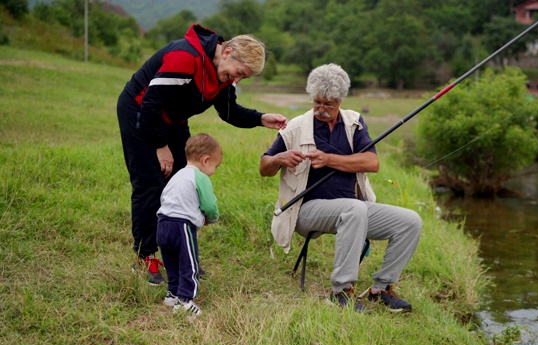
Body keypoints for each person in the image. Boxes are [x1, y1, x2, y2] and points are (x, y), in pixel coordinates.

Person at [117, 24, 287, 285]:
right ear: (227, 51)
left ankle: (177, 252)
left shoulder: (221, 74)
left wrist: (262, 119)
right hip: (140, 112)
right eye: (239, 73)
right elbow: (151, 102)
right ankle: (145, 257)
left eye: (244, 78)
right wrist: (161, 147)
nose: (236, 80)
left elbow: (229, 111)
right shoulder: (186, 57)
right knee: (150, 184)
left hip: (172, 118)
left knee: (184, 183)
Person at [259, 64, 422, 312]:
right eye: (317, 103)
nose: (322, 110)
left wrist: (329, 159)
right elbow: (264, 166)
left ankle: (381, 289)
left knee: (410, 221)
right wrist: (279, 159)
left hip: (353, 209)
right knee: (354, 209)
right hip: (305, 212)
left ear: (340, 101)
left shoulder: (354, 123)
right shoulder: (296, 126)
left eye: (329, 105)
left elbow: (372, 162)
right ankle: (341, 292)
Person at [157, 133, 222, 317]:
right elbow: (209, 205)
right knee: (189, 264)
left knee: (171, 261)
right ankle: (185, 300)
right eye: (215, 166)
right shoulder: (200, 177)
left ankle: (172, 294)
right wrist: (213, 217)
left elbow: (164, 197)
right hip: (181, 226)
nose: (214, 171)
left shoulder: (178, 175)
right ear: (206, 160)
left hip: (162, 223)